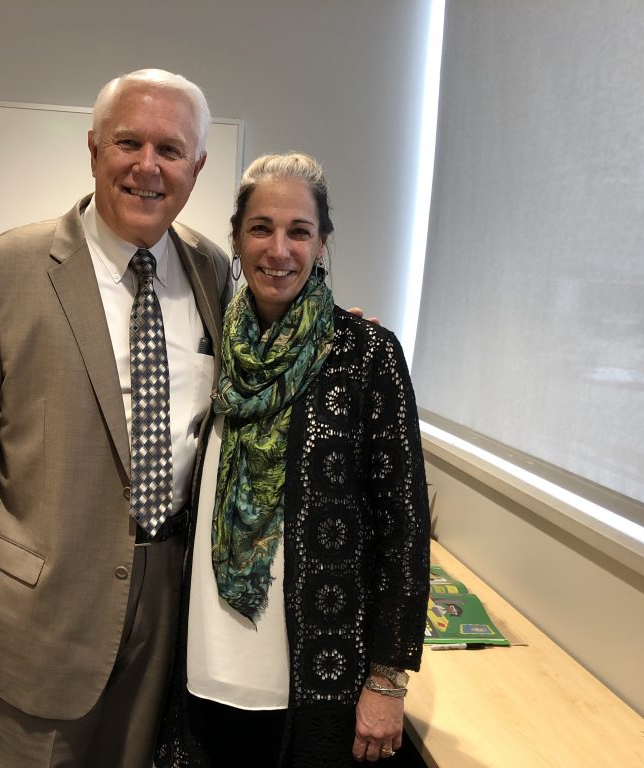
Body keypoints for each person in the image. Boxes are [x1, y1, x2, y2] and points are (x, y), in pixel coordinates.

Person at [0, 69, 233, 768]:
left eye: (171, 151)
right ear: (93, 150)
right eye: (129, 142)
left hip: (170, 600)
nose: (148, 167)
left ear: (197, 167)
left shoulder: (212, 271)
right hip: (43, 610)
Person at [155, 153, 431, 767]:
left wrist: (387, 680)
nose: (278, 249)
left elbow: (405, 528)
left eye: (299, 231)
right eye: (261, 228)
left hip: (315, 663)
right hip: (206, 647)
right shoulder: (210, 339)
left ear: (322, 244)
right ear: (236, 238)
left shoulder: (368, 357)